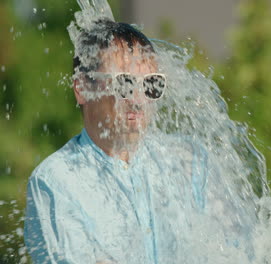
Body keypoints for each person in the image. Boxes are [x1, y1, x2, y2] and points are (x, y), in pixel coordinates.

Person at [24, 19, 208, 263]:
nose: (138, 100)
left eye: (152, 85)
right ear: (82, 89)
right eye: (125, 83)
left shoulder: (187, 162)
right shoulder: (55, 182)